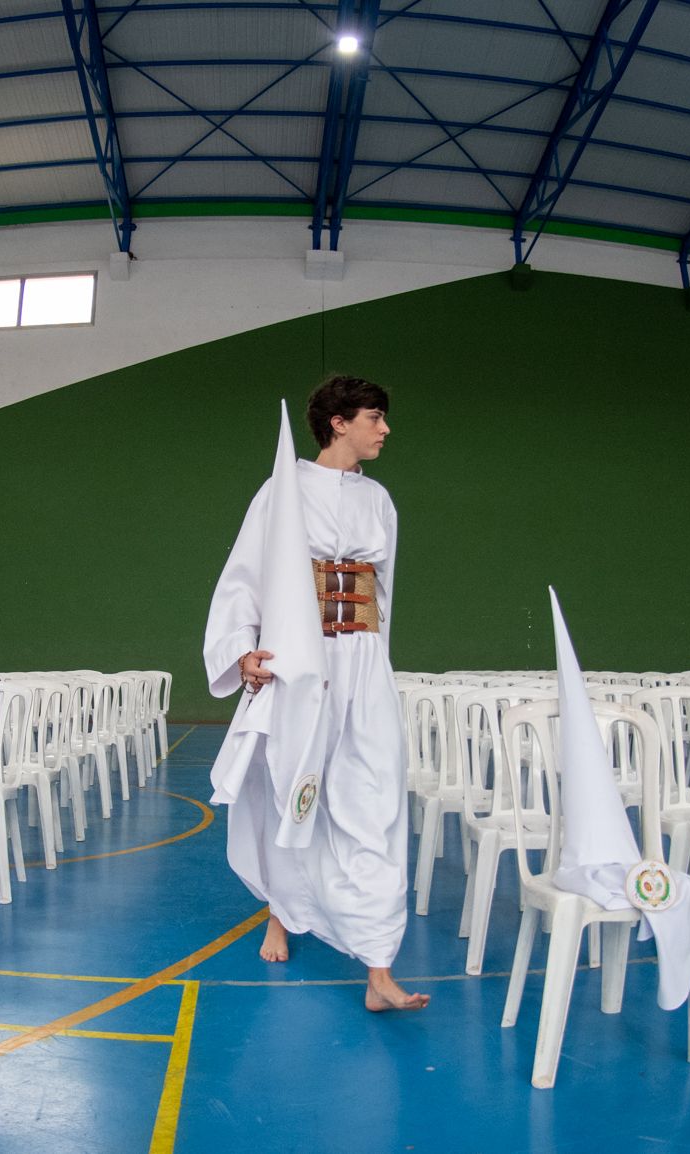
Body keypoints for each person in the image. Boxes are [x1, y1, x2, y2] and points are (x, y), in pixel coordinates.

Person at [203, 375, 428, 1012]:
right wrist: (241, 653)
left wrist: (372, 668)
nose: (384, 429)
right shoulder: (283, 489)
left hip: (361, 666)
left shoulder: (380, 501)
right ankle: (284, 911)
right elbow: (244, 577)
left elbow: (381, 595)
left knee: (372, 799)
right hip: (299, 664)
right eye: (374, 417)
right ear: (338, 422)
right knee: (290, 791)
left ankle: (379, 967)